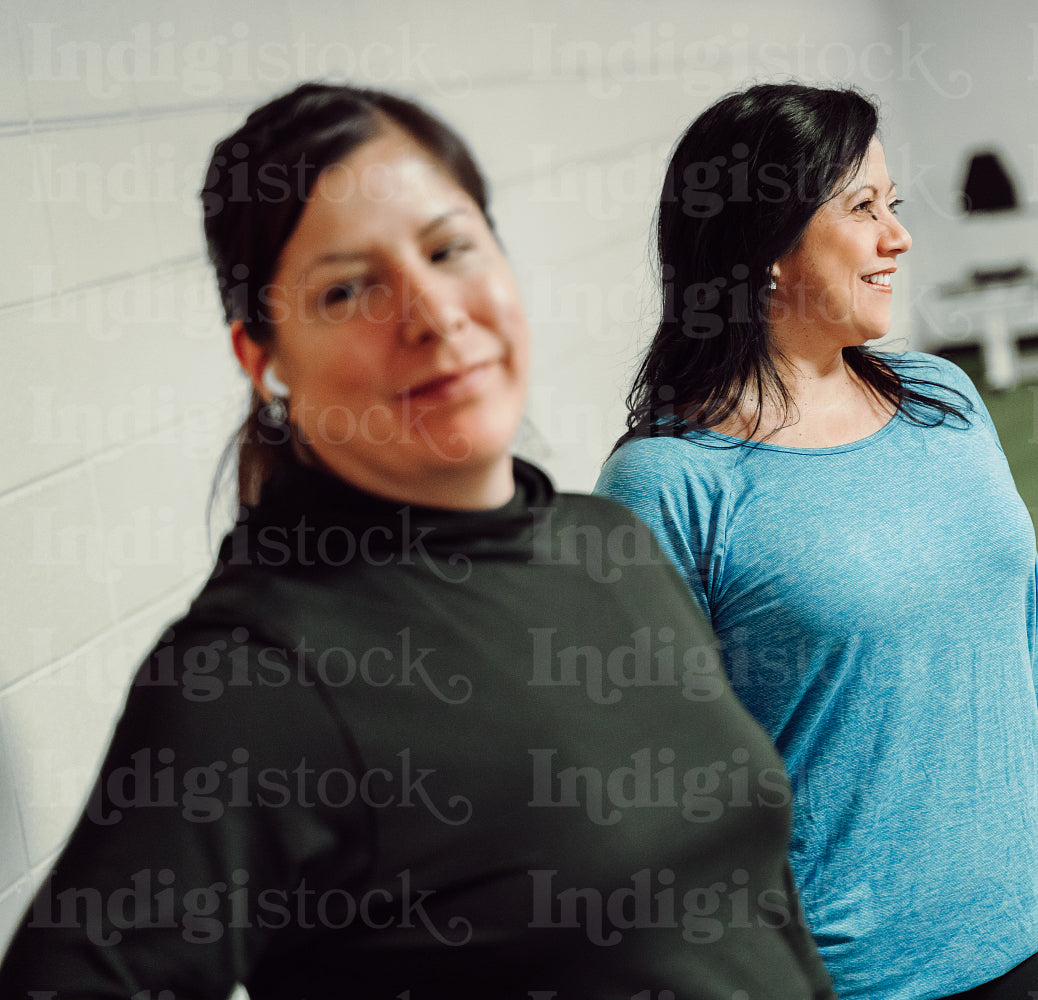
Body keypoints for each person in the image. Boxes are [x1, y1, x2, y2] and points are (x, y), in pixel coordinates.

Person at [0, 82, 834, 1000]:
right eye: (349, 289)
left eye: (448, 248)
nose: (433, 315)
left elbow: (751, 907)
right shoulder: (257, 675)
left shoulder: (608, 544)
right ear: (262, 355)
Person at [595, 83, 1038, 1000]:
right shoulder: (666, 486)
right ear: (765, 245)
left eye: (891, 205)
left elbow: (1028, 641)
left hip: (1031, 943)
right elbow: (646, 797)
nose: (897, 237)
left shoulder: (943, 398)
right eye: (863, 209)